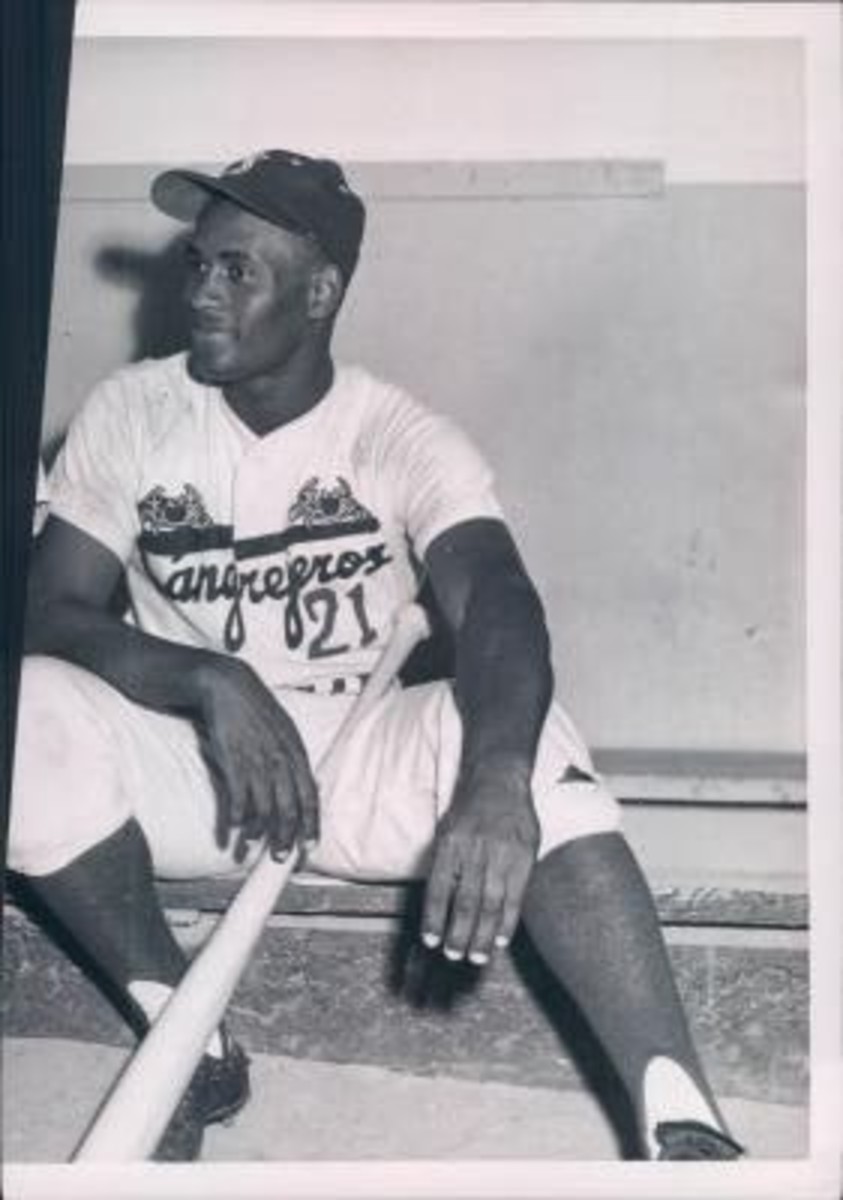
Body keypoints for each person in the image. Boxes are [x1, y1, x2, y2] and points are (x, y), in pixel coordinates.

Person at [8, 149, 745, 1163]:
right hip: (194, 759)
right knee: (23, 711)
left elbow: (498, 601)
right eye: (198, 266)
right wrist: (205, 677)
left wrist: (493, 782)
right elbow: (47, 610)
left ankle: (686, 1124)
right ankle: (185, 1033)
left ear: (321, 293)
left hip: (355, 757)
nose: (202, 295)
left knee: (526, 745)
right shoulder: (131, 412)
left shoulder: (397, 433)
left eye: (238, 271)